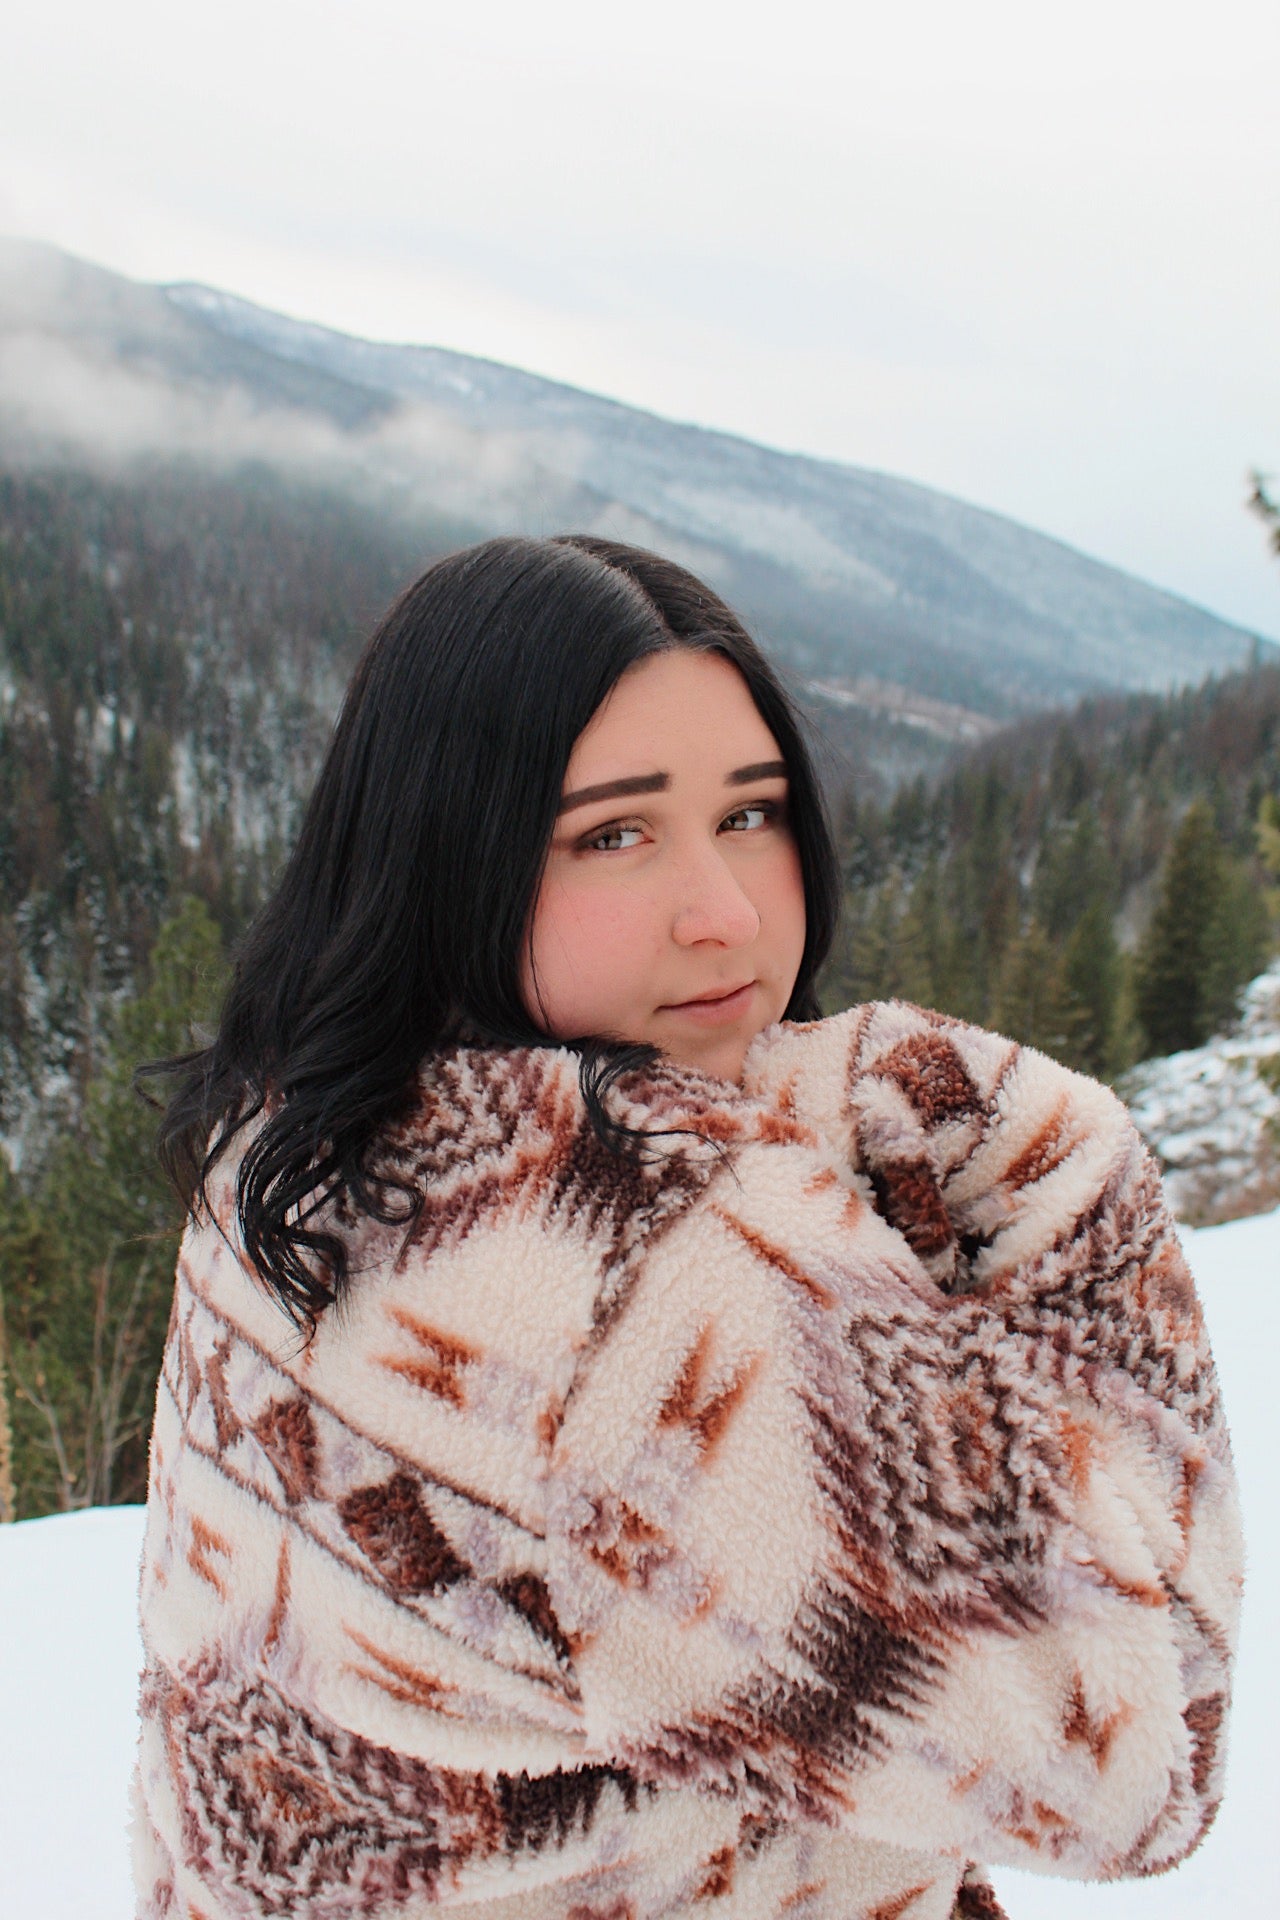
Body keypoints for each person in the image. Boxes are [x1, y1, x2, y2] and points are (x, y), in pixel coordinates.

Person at [132, 536, 1242, 1920]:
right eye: (613, 834)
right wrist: (1066, 1179)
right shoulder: (656, 1255)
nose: (725, 912)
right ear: (449, 856)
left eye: (752, 813)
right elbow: (1140, 1764)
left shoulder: (293, 1145)